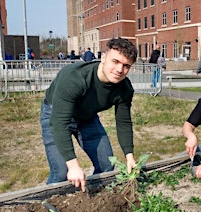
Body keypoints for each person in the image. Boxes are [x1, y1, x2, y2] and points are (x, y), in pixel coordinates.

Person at [40, 37, 138, 192]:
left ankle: (95, 202)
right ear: (103, 58)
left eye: (126, 66)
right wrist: (73, 165)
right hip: (56, 114)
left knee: (106, 166)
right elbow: (60, 123)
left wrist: (129, 156)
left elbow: (123, 122)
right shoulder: (74, 78)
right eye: (115, 62)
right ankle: (47, 205)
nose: (120, 69)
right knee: (61, 173)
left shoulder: (124, 89)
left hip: (87, 117)